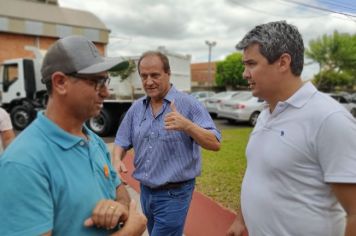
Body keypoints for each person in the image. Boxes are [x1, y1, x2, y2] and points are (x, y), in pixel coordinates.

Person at [0, 35, 146, 236]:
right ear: (60, 82)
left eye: (106, 81)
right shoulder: (23, 163)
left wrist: (119, 208)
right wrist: (128, 233)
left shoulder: (93, 141)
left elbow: (120, 191)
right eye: (98, 81)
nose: (106, 92)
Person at [226, 21, 356, 236]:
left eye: (251, 64)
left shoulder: (329, 119)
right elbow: (257, 172)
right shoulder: (266, 113)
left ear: (283, 62)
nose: (244, 74)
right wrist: (241, 219)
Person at [113, 51, 221, 236]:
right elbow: (121, 140)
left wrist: (187, 126)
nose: (148, 82)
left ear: (168, 73)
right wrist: (116, 160)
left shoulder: (188, 104)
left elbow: (215, 143)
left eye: (155, 75)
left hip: (174, 195)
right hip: (145, 191)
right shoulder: (137, 107)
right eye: (144, 76)